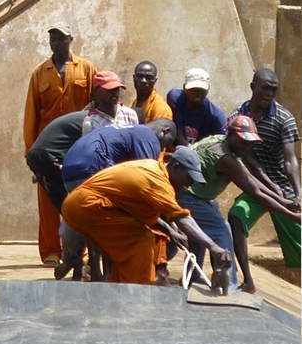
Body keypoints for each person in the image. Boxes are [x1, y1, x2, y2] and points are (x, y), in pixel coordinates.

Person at [61, 148, 232, 285]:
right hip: (88, 206)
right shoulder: (159, 182)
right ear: (176, 168)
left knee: (150, 240)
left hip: (82, 206)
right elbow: (182, 218)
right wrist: (214, 247)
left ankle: (121, 289)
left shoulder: (154, 168)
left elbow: (137, 209)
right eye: (189, 178)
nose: (190, 184)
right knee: (142, 239)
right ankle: (140, 292)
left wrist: (168, 230)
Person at [180, 115, 301, 292]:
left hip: (197, 195)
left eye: (250, 142)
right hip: (187, 195)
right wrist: (291, 215)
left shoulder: (223, 143)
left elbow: (250, 179)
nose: (247, 147)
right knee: (222, 231)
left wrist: (283, 201)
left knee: (199, 234)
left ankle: (194, 277)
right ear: (231, 135)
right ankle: (230, 285)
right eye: (243, 141)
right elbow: (255, 192)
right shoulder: (225, 157)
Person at [59, 119, 177, 282]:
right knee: (121, 225)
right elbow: (149, 183)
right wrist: (169, 226)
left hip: (69, 172)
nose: (161, 149)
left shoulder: (127, 130)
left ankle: (80, 263)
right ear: (165, 131)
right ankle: (113, 277)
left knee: (92, 221)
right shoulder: (149, 138)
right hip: (93, 167)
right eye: (165, 145)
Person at [23, 23, 96, 266]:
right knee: (47, 198)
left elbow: (95, 108)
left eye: (61, 38)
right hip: (47, 147)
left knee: (78, 195)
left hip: (78, 144)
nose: (56, 43)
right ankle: (51, 251)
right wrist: (31, 152)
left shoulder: (86, 68)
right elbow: (31, 114)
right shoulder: (39, 73)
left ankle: (80, 250)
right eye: (52, 38)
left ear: (71, 39)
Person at [227, 69, 301, 293]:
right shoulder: (237, 118)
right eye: (265, 88)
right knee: (237, 216)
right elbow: (247, 158)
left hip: (284, 189)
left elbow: (290, 160)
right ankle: (248, 281)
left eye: (274, 89)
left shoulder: (283, 118)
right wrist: (269, 186)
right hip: (257, 187)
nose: (270, 93)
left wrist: (297, 193)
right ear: (252, 87)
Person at [167, 68, 227, 146]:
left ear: (208, 89)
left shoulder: (216, 116)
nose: (197, 93)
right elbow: (179, 136)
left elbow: (223, 144)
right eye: (193, 89)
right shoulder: (176, 98)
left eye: (201, 90)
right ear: (184, 87)